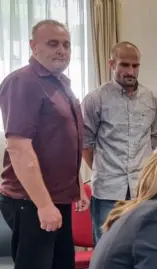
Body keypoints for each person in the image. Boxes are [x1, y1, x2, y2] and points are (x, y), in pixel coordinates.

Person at [0, 19, 89, 269]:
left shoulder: (61, 83)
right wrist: (44, 205)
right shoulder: (23, 82)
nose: (62, 50)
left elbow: (65, 141)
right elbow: (18, 148)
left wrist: (78, 185)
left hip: (58, 198)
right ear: (33, 46)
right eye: (53, 43)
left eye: (66, 44)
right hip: (32, 201)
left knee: (62, 264)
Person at [82, 41, 157, 243]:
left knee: (142, 245)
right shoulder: (95, 99)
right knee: (107, 247)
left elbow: (153, 136)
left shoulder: (153, 99)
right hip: (107, 190)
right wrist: (103, 168)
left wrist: (139, 162)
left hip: (141, 190)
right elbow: (86, 143)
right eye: (124, 65)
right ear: (112, 64)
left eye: (135, 66)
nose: (130, 71)